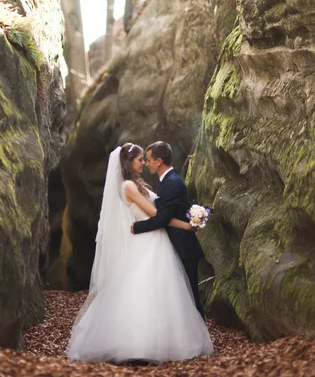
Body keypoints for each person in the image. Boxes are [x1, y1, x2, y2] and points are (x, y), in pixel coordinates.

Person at [66, 143, 213, 364]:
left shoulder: (138, 184)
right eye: (140, 159)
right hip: (149, 240)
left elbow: (161, 213)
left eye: (145, 159)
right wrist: (185, 226)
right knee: (145, 290)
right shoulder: (128, 186)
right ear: (128, 162)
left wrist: (190, 220)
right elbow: (157, 214)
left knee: (163, 292)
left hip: (157, 239)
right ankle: (138, 343)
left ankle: (164, 339)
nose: (143, 162)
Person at [131, 141, 205, 318]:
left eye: (148, 160)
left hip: (183, 247)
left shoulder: (171, 182)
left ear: (159, 161)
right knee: (181, 297)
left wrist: (137, 227)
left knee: (190, 296)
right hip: (177, 245)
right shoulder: (167, 181)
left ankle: (200, 339)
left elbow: (162, 218)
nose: (146, 163)